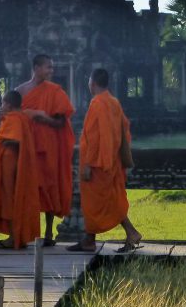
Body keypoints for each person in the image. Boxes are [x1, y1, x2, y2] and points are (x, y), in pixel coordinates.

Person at [68, 68, 142, 253]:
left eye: (89, 81)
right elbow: (124, 128)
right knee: (107, 199)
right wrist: (116, 155)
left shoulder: (98, 104)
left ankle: (131, 232)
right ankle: (89, 239)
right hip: (111, 160)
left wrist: (89, 163)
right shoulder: (113, 102)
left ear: (92, 83)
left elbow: (95, 138)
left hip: (98, 163)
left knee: (104, 201)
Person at [17, 54, 75, 246]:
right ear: (36, 67)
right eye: (48, 67)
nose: (51, 71)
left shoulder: (55, 91)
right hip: (26, 146)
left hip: (48, 146)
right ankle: (26, 232)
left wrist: (44, 119)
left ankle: (49, 233)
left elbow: (61, 122)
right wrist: (29, 114)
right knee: (28, 188)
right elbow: (12, 118)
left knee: (49, 186)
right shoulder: (20, 91)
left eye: (52, 67)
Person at [0, 90, 41, 249]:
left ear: (9, 104)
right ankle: (18, 235)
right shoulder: (22, 117)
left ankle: (13, 237)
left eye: (3, 102)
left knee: (9, 198)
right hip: (18, 162)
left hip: (10, 161)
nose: (2, 106)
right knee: (17, 197)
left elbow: (14, 140)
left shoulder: (14, 118)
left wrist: (4, 141)